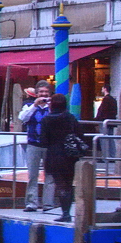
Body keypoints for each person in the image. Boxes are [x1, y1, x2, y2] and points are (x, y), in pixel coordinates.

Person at [40, 93, 83, 222]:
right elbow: (79, 133)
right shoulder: (70, 118)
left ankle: (65, 214)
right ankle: (67, 212)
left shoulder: (46, 120)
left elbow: (43, 141)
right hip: (70, 154)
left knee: (60, 184)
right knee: (68, 184)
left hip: (54, 154)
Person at [19, 81, 53, 212]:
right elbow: (23, 118)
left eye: (46, 92)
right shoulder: (28, 106)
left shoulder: (53, 107)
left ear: (49, 93)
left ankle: (48, 204)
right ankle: (31, 203)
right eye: (41, 92)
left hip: (49, 145)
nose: (44, 94)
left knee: (50, 176)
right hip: (33, 144)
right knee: (32, 175)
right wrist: (35, 105)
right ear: (36, 94)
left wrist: (50, 106)